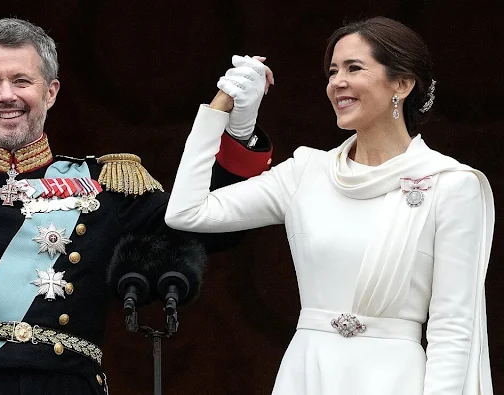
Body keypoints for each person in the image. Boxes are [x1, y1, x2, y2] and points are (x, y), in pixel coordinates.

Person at [0, 18, 272, 395]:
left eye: (21, 80)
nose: (6, 96)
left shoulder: (106, 186)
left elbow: (215, 221)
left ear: (51, 91)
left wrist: (240, 130)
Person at [165, 16, 494, 395]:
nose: (337, 82)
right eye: (333, 70)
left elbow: (453, 328)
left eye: (354, 68)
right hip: (307, 374)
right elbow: (186, 212)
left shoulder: (450, 184)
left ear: (401, 85)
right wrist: (221, 113)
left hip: (394, 379)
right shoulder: (307, 171)